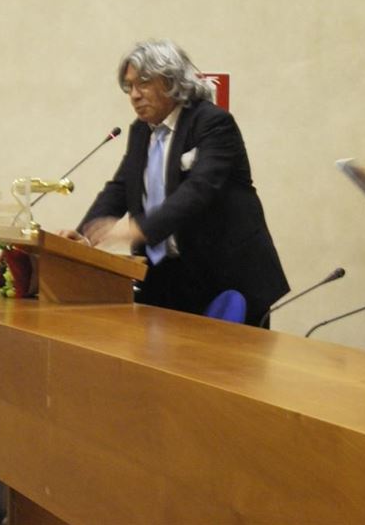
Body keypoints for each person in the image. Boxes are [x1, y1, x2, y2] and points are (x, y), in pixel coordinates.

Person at [59, 39, 289, 327]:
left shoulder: (213, 123)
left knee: (228, 358)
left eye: (143, 83)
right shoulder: (141, 131)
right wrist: (84, 237)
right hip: (168, 278)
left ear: (171, 80)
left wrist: (139, 229)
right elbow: (120, 188)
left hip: (225, 277)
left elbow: (199, 190)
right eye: (129, 86)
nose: (134, 95)